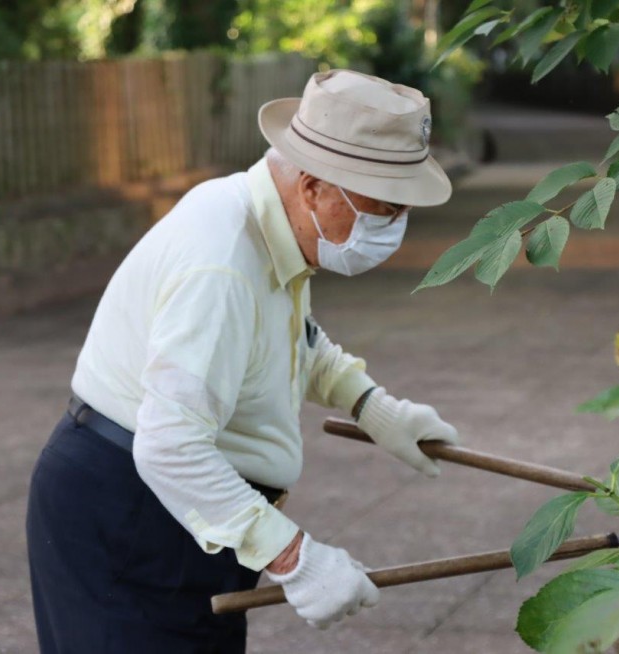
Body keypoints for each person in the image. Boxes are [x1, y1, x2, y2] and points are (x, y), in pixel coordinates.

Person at [26, 68, 461, 653]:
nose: (394, 227)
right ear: (313, 187)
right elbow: (170, 445)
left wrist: (375, 408)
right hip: (133, 515)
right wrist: (293, 555)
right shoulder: (223, 263)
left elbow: (295, 341)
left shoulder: (270, 225)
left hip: (186, 512)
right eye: (382, 207)